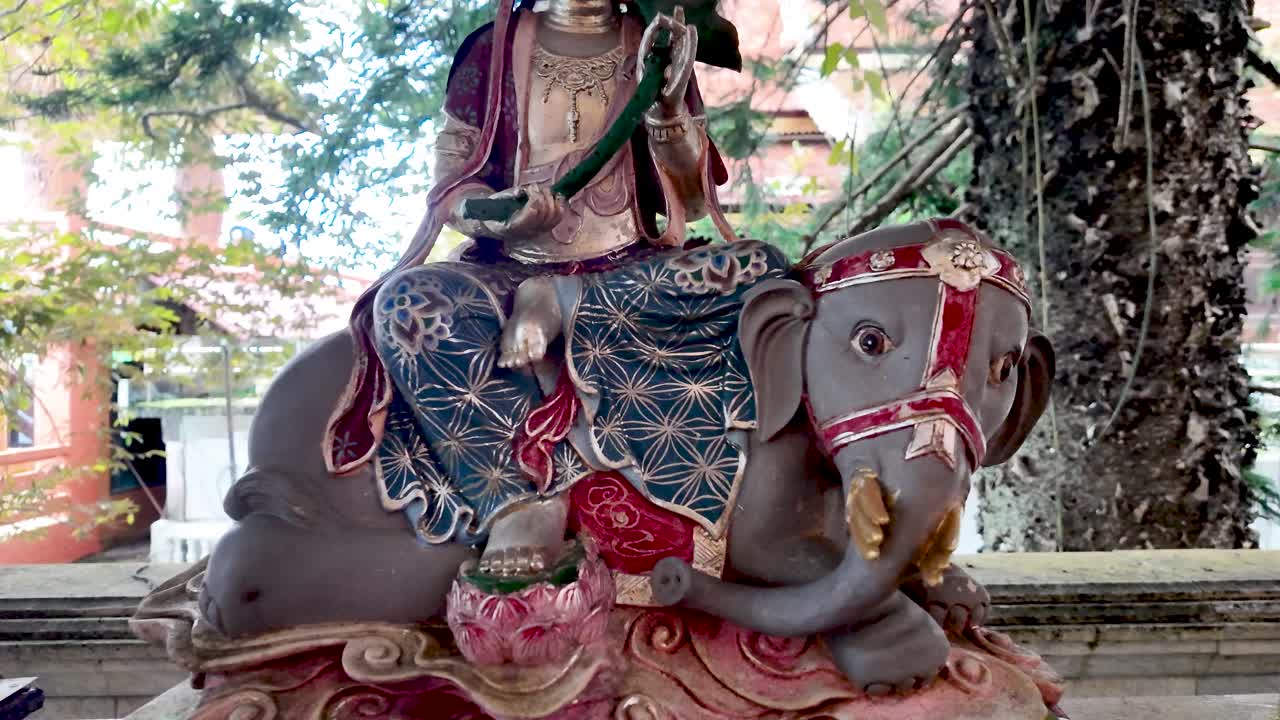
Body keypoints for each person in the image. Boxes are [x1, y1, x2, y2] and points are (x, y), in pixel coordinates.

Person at [325, 0, 787, 578]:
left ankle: (559, 303)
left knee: (762, 269)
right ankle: (520, 498)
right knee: (405, 303)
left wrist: (668, 106)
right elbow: (450, 187)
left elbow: (691, 199)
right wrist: (502, 219)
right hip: (511, 268)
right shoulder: (492, 49)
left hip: (629, 272)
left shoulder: (654, 41)